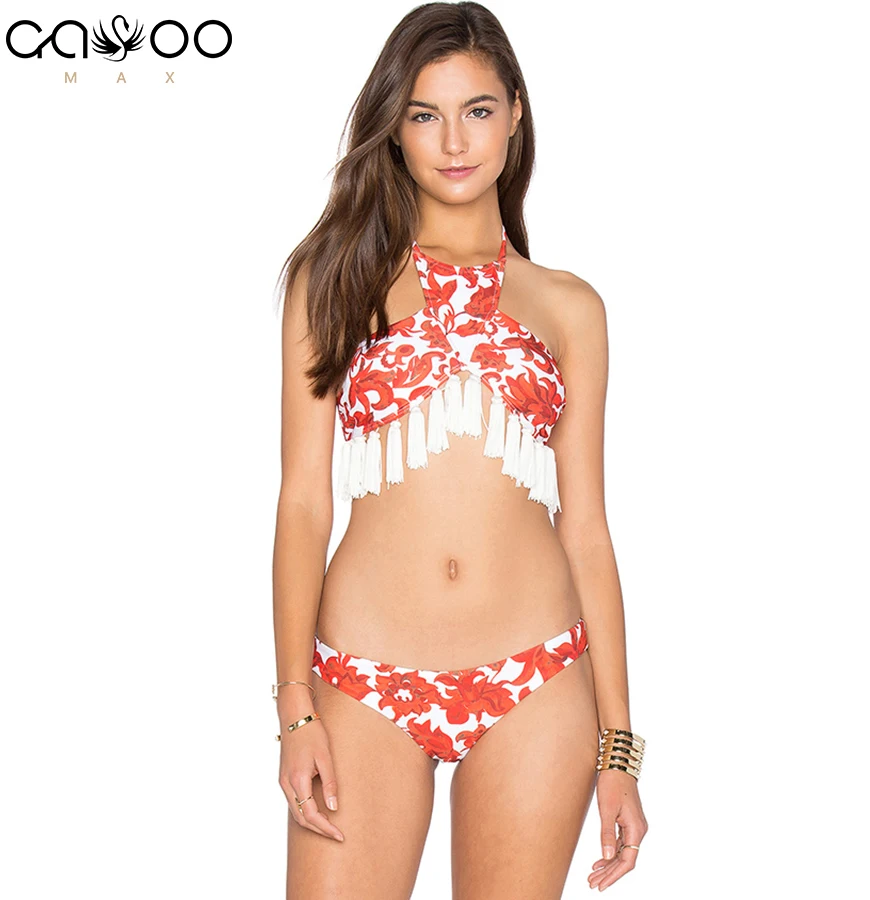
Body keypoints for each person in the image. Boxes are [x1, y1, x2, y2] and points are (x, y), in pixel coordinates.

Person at [272, 3, 648, 896]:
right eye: (424, 115)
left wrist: (619, 749)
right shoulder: (336, 278)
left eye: (477, 110)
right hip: (363, 677)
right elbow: (303, 502)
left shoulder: (570, 307)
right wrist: (294, 709)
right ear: (394, 127)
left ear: (515, 114)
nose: (453, 141)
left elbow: (587, 527)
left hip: (537, 678)